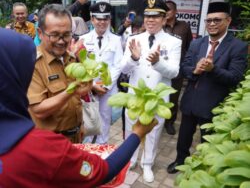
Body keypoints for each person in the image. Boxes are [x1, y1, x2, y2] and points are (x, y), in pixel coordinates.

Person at [0, 27, 158, 187]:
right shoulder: (42, 149)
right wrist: (137, 134)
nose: (62, 40)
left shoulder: (73, 58)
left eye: (67, 33)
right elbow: (104, 171)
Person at [167, 2, 248, 174]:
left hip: (213, 105)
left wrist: (214, 69)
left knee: (207, 144)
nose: (212, 24)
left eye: (217, 20)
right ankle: (180, 160)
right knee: (183, 139)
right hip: (190, 102)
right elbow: (185, 67)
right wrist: (195, 70)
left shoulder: (237, 47)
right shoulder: (197, 43)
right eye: (208, 20)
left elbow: (235, 78)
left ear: (228, 21)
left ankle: (202, 170)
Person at [121, 0, 182, 183]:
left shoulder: (173, 42)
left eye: (156, 16)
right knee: (132, 129)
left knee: (154, 132)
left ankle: (147, 163)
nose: (150, 20)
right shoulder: (134, 39)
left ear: (164, 19)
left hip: (157, 97)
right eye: (147, 16)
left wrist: (157, 63)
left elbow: (174, 72)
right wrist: (133, 57)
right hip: (135, 97)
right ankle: (130, 160)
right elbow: (124, 69)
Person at [27, 4, 90, 143]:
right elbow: (38, 110)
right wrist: (72, 91)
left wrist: (80, 126)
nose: (62, 41)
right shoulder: (32, 63)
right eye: (55, 35)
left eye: (67, 34)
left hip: (76, 136)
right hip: (50, 144)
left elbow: (75, 102)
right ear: (40, 33)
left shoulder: (70, 58)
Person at [79, 2, 123, 144]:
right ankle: (88, 148)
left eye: (105, 19)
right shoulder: (83, 39)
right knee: (88, 118)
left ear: (109, 20)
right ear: (92, 19)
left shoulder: (116, 40)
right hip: (89, 88)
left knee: (104, 119)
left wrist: (105, 86)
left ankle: (101, 147)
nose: (102, 22)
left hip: (107, 89)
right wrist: (92, 85)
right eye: (98, 19)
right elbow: (81, 66)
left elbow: (117, 65)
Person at [163, 0, 193, 135]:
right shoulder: (159, 26)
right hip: (160, 68)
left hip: (177, 70)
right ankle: (156, 121)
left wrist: (186, 65)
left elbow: (189, 48)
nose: (166, 12)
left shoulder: (184, 27)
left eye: (168, 9)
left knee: (173, 98)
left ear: (175, 11)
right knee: (158, 95)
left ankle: (169, 122)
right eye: (164, 10)